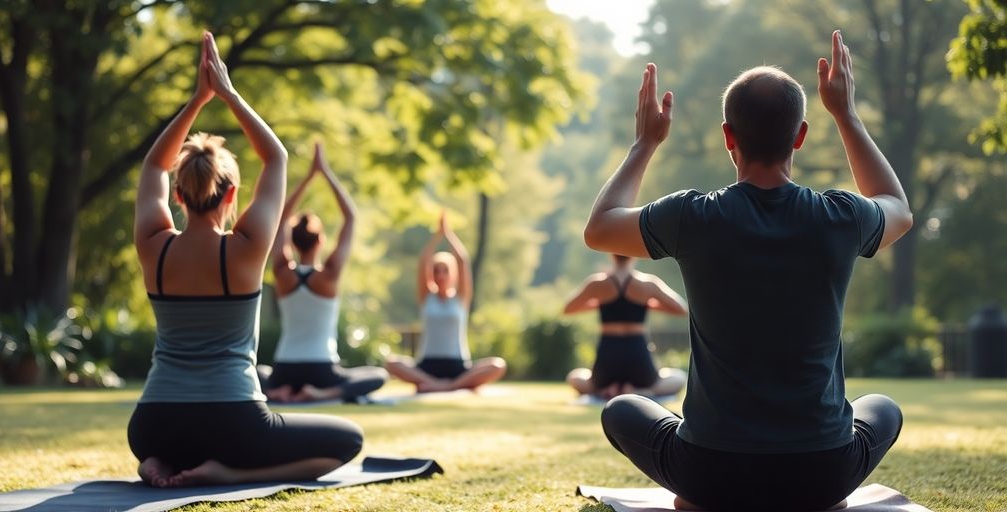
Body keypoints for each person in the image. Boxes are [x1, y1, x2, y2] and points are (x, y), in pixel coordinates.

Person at [584, 31, 913, 511]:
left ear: (727, 137)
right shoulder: (841, 217)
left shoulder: (692, 216)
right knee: (883, 408)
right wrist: (846, 114)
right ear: (800, 135)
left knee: (621, 410)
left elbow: (599, 230)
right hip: (823, 474)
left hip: (709, 473)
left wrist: (645, 142)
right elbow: (899, 209)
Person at [128, 32, 362, 488]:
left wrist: (196, 101)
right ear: (233, 194)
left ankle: (156, 461)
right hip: (233, 423)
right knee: (348, 441)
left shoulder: (154, 245)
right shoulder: (246, 249)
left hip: (152, 424)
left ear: (178, 195)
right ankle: (224, 472)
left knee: (167, 440)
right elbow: (275, 157)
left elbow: (153, 166)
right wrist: (227, 93)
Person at [257, 142, 388, 403]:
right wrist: (324, 172)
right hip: (322, 368)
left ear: (293, 242)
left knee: (259, 370)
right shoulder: (328, 275)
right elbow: (350, 217)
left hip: (285, 369)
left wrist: (306, 179)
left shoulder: (282, 272)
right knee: (378, 375)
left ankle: (275, 392)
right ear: (320, 241)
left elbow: (281, 216)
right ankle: (323, 393)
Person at [385, 212, 507, 392]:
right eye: (436, 270)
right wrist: (436, 237)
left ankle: (447, 386)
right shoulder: (427, 297)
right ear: (431, 274)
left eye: (445, 270)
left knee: (498, 365)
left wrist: (448, 234)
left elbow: (462, 261)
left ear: (453, 274)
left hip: (457, 366)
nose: (440, 275)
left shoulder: (461, 298)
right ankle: (438, 384)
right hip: (426, 366)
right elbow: (423, 262)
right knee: (391, 362)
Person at [563, 254, 688, 399]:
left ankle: (606, 390)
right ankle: (637, 391)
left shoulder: (597, 283)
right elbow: (681, 309)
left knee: (574, 377)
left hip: (608, 351)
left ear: (611, 255)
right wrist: (646, 304)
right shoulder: (647, 283)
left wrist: (600, 303)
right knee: (679, 378)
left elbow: (568, 308)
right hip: (637, 350)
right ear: (634, 256)